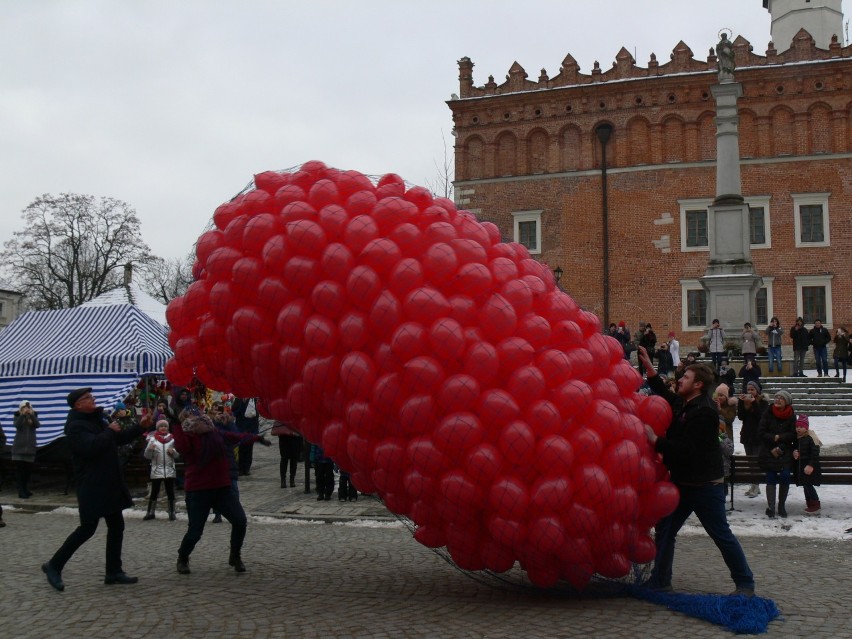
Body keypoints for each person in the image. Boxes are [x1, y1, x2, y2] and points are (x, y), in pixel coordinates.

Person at [637, 346, 755, 596]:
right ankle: (661, 581)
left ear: (698, 384)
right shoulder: (685, 402)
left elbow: (687, 450)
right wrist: (649, 366)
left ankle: (745, 583)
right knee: (666, 530)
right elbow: (665, 394)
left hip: (705, 486)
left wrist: (655, 440)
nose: (680, 380)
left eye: (686, 378)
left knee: (720, 534)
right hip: (681, 483)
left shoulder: (705, 413)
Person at [42, 388, 149, 591]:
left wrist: (140, 426)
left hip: (109, 481)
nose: (93, 399)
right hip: (91, 484)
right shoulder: (75, 426)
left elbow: (118, 439)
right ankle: (54, 566)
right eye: (87, 398)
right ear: (77, 404)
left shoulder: (98, 419)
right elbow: (90, 448)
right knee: (87, 528)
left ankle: (114, 571)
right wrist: (109, 431)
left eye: (91, 396)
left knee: (117, 526)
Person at [172, 410, 251, 575]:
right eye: (191, 418)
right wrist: (177, 427)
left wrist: (230, 423)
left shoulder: (215, 432)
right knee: (195, 531)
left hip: (222, 486)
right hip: (198, 489)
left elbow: (235, 437)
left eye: (197, 416)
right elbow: (181, 447)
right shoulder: (188, 436)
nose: (196, 420)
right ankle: (183, 557)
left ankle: (235, 555)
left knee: (240, 521)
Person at [757, 390, 797, 518]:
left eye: (781, 398)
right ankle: (771, 507)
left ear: (787, 402)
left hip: (784, 450)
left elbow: (793, 434)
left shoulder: (791, 415)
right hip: (768, 450)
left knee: (785, 475)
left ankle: (781, 506)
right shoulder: (768, 413)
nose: (778, 400)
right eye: (776, 397)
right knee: (771, 476)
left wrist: (780, 438)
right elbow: (761, 432)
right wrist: (773, 437)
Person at [736, 380, 768, 498]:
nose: (750, 392)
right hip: (747, 436)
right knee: (750, 462)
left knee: (756, 462)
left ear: (757, 391)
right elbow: (740, 417)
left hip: (758, 436)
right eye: (748, 389)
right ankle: (754, 485)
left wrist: (754, 403)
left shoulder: (763, 402)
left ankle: (756, 485)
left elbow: (760, 417)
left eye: (752, 390)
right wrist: (741, 402)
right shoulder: (745, 402)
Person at [142, 419, 179, 521]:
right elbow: (147, 456)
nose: (163, 428)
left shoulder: (172, 439)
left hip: (169, 470)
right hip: (157, 469)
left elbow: (177, 455)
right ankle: (150, 512)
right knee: (154, 491)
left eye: (165, 426)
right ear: (157, 428)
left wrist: (173, 452)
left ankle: (172, 512)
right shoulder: (153, 439)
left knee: (170, 491)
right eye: (161, 426)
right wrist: (150, 449)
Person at [792, 414, 822, 515]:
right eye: (797, 427)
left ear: (806, 428)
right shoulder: (798, 438)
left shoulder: (811, 437)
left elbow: (815, 453)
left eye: (801, 427)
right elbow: (796, 449)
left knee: (808, 485)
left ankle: (815, 504)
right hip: (801, 468)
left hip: (809, 468)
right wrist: (795, 452)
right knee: (805, 485)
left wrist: (810, 465)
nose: (798, 429)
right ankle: (809, 503)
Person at [12, 400, 39, 499]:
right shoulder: (17, 416)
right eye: (24, 407)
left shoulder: (33, 416)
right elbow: (17, 425)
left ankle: (25, 488)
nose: (26, 409)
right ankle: (21, 490)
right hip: (18, 448)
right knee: (20, 471)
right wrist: (22, 415)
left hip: (30, 448)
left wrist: (31, 415)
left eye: (28, 407)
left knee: (27, 471)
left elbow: (37, 425)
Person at [232, 397, 260, 476]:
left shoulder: (254, 399)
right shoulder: (239, 399)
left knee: (249, 448)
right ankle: (240, 468)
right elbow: (234, 412)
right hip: (241, 427)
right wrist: (241, 404)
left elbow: (257, 413)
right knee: (241, 448)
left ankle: (247, 468)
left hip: (252, 428)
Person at [271, 420, 303, 488]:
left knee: (293, 458)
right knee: (284, 458)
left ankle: (292, 479)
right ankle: (283, 480)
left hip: (295, 435)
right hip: (285, 436)